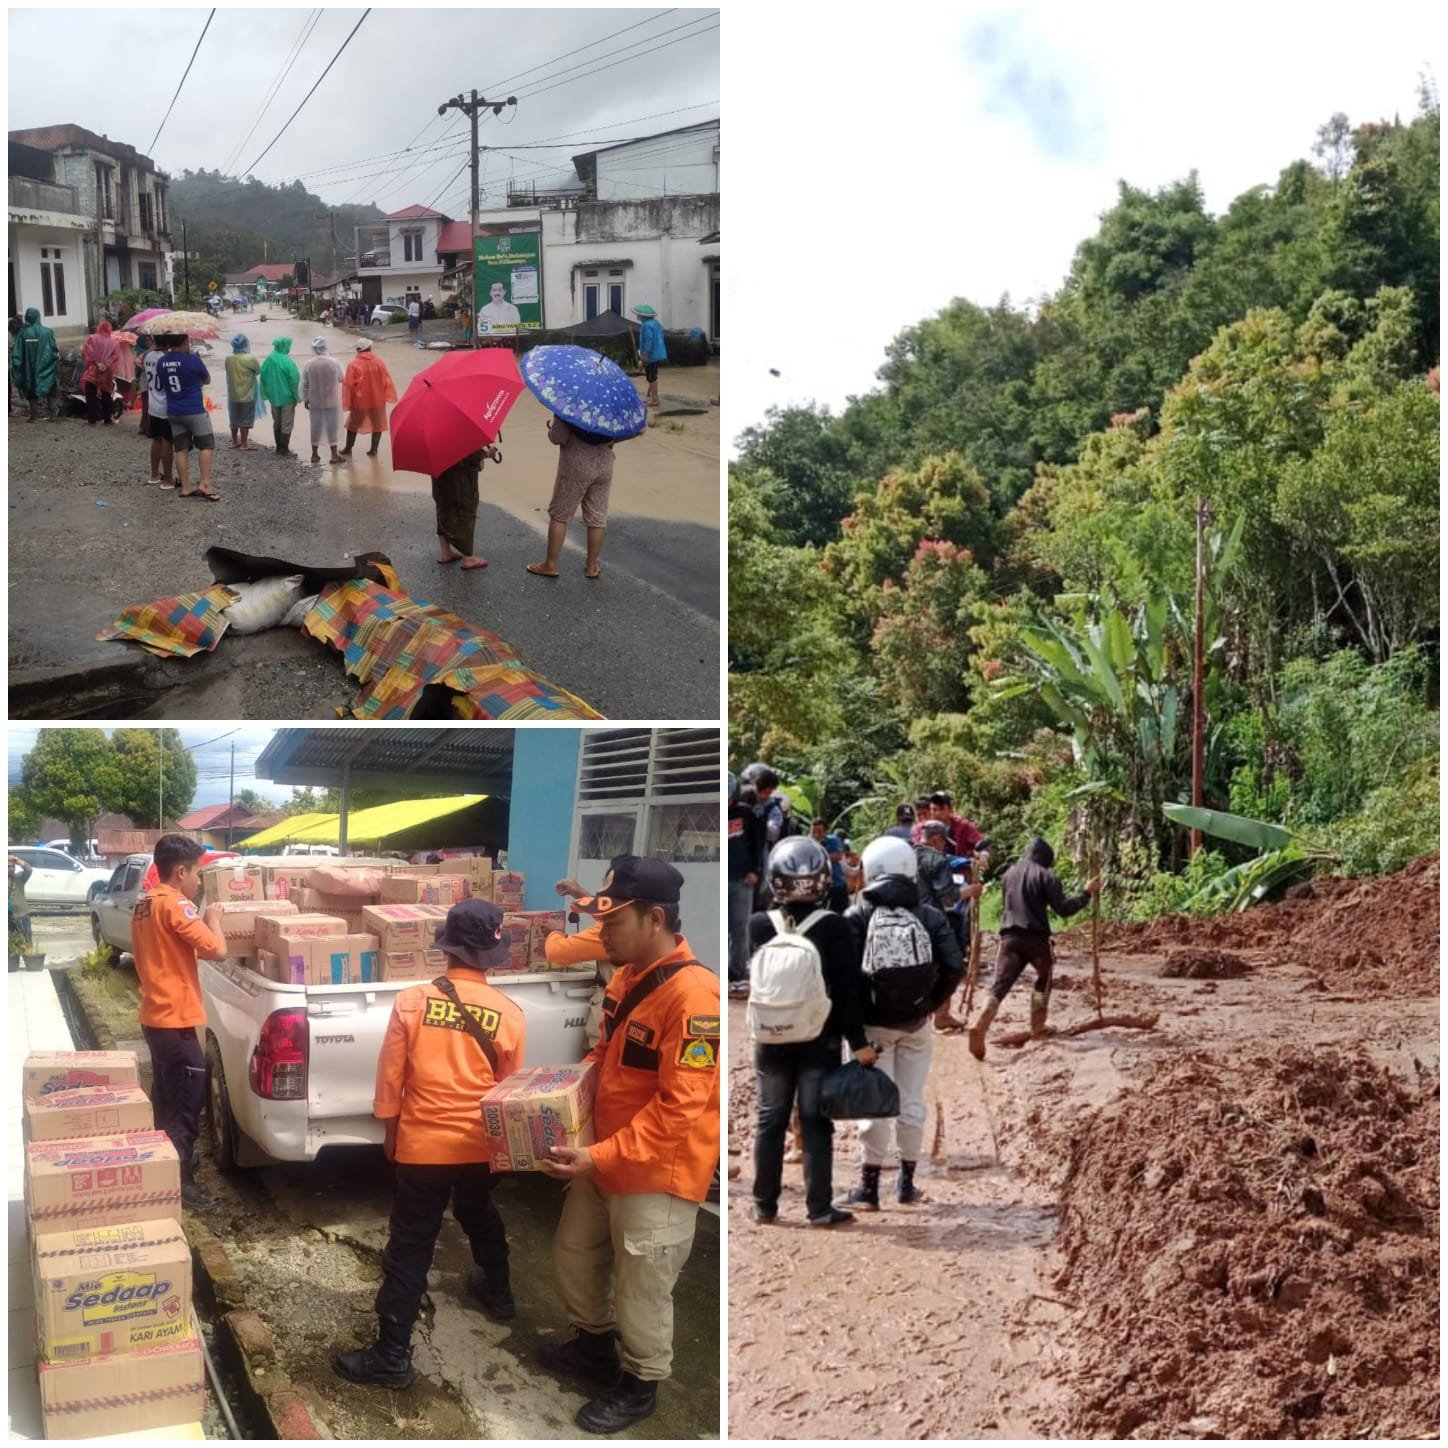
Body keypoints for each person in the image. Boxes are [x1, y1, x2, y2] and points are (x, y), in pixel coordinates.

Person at [535, 857, 718, 1434]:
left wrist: (596, 1156)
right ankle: (593, 1347)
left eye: (613, 922)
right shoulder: (625, 977)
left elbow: (679, 1109)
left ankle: (641, 1383)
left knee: (643, 1286)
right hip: (603, 1156)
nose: (603, 933)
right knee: (575, 1254)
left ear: (654, 919)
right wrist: (560, 1099)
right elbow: (604, 1055)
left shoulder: (696, 999)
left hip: (656, 1172)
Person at [333, 900, 526, 1388]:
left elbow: (390, 1076)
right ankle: (500, 1291)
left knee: (411, 1243)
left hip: (423, 1148)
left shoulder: (412, 1001)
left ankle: (392, 1355)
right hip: (480, 1148)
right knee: (478, 1212)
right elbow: (507, 1093)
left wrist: (391, 1133)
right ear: (491, 954)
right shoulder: (510, 1015)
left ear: (447, 950)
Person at [748, 837, 873, 1229]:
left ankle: (764, 1206)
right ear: (821, 880)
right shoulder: (835, 926)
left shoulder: (758, 925)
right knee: (815, 1121)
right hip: (820, 1039)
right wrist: (859, 1044)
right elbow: (848, 991)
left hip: (770, 1038)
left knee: (770, 1120)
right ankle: (819, 1209)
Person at [838, 835, 964, 1211]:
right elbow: (954, 966)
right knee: (911, 1101)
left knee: (875, 1104)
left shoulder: (856, 916)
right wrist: (930, 1004)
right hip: (915, 1024)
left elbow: (843, 981)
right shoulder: (930, 916)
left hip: (872, 1029)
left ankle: (869, 1189)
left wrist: (854, 1030)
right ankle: (907, 1185)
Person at [130, 834, 228, 1210]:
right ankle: (181, 1182)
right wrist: (213, 919)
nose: (199, 882)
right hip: (175, 1021)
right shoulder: (175, 904)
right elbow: (217, 950)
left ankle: (166, 1163)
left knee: (166, 1098)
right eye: (198, 874)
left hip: (155, 1018)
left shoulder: (145, 904)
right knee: (186, 1105)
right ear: (181, 872)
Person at [968, 838, 1102, 1060]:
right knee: (1043, 980)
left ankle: (981, 1022)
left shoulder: (1008, 874)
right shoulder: (1047, 877)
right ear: (1046, 859)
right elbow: (1064, 909)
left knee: (1000, 984)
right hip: (1037, 940)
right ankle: (1037, 1027)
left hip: (1009, 938)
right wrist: (1086, 893)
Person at [525, 416, 621, 580]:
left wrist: (551, 428)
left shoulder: (569, 407)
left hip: (575, 464)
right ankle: (591, 566)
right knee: (597, 516)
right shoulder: (613, 408)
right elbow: (637, 430)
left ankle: (550, 565)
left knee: (560, 515)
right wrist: (611, 441)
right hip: (604, 463)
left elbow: (557, 438)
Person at [155, 334, 220, 500]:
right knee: (206, 445)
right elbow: (207, 380)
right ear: (185, 342)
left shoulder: (161, 362)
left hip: (174, 411)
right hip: (194, 410)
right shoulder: (193, 360)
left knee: (181, 449)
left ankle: (185, 486)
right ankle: (205, 484)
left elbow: (162, 384)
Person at [727, 771, 765, 990]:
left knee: (740, 928)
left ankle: (737, 974)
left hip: (742, 880)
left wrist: (754, 870)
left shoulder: (746, 814)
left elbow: (758, 844)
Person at [432, 447, 494, 570]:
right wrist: (487, 453)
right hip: (461, 485)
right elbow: (473, 459)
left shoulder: (433, 439)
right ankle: (469, 558)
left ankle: (446, 552)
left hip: (440, 482)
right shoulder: (462, 438)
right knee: (465, 515)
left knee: (443, 512)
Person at [340, 337, 397, 459]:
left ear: (358, 350)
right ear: (370, 348)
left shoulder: (353, 364)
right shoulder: (379, 362)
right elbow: (387, 381)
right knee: (377, 424)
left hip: (360, 401)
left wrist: (348, 402)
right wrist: (387, 396)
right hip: (377, 399)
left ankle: (348, 448)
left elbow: (349, 385)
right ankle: (373, 450)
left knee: (353, 424)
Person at [301, 335, 345, 466]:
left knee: (316, 426)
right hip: (332, 400)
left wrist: (306, 399)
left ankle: (314, 454)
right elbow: (342, 378)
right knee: (332, 427)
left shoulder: (309, 364)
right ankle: (334, 455)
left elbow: (305, 384)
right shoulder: (334, 362)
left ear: (313, 349)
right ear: (326, 347)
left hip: (315, 401)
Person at [140, 333, 175, 487]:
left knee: (156, 440)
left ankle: (154, 475)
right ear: (168, 342)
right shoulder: (167, 359)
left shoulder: (147, 356)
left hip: (152, 405)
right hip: (166, 405)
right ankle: (168, 479)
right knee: (167, 441)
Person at [259, 335, 301, 457]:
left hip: (274, 397)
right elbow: (294, 379)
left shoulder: (269, 359)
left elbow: (263, 374)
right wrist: (297, 396)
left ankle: (278, 448)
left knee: (277, 422)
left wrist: (267, 391)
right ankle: (285, 449)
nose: (289, 348)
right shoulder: (288, 361)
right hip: (287, 398)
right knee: (286, 424)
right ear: (285, 346)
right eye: (288, 346)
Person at [223, 333, 263, 450]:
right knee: (245, 419)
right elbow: (258, 371)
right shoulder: (250, 358)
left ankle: (235, 441)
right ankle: (244, 444)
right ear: (245, 344)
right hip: (247, 394)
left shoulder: (228, 358)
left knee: (233, 417)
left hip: (233, 393)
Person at [80, 319, 120, 425]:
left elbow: (87, 352)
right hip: (106, 372)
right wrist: (106, 364)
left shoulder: (92, 338)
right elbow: (115, 356)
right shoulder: (114, 341)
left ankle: (91, 419)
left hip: (93, 369)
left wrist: (97, 363)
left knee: (90, 394)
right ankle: (107, 419)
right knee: (106, 394)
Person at [809, 819, 849, 912]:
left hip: (836, 883)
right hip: (816, 886)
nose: (816, 835)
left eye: (819, 832)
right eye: (813, 832)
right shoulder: (807, 843)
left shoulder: (833, 840)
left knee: (840, 912)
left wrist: (819, 853)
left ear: (826, 831)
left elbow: (838, 856)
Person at [633, 303, 667, 408]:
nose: (637, 316)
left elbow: (648, 341)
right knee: (653, 376)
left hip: (651, 355)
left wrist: (645, 355)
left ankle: (655, 399)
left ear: (643, 316)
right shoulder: (655, 323)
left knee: (651, 377)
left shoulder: (646, 325)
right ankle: (653, 398)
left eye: (638, 315)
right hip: (657, 353)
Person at [9, 854, 34, 946]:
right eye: (8, 866)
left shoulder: (19, 878)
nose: (11, 868)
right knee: (11, 943)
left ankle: (29, 954)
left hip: (21, 915)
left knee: (27, 940)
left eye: (13, 866)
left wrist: (16, 859)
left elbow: (28, 869)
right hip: (8, 917)